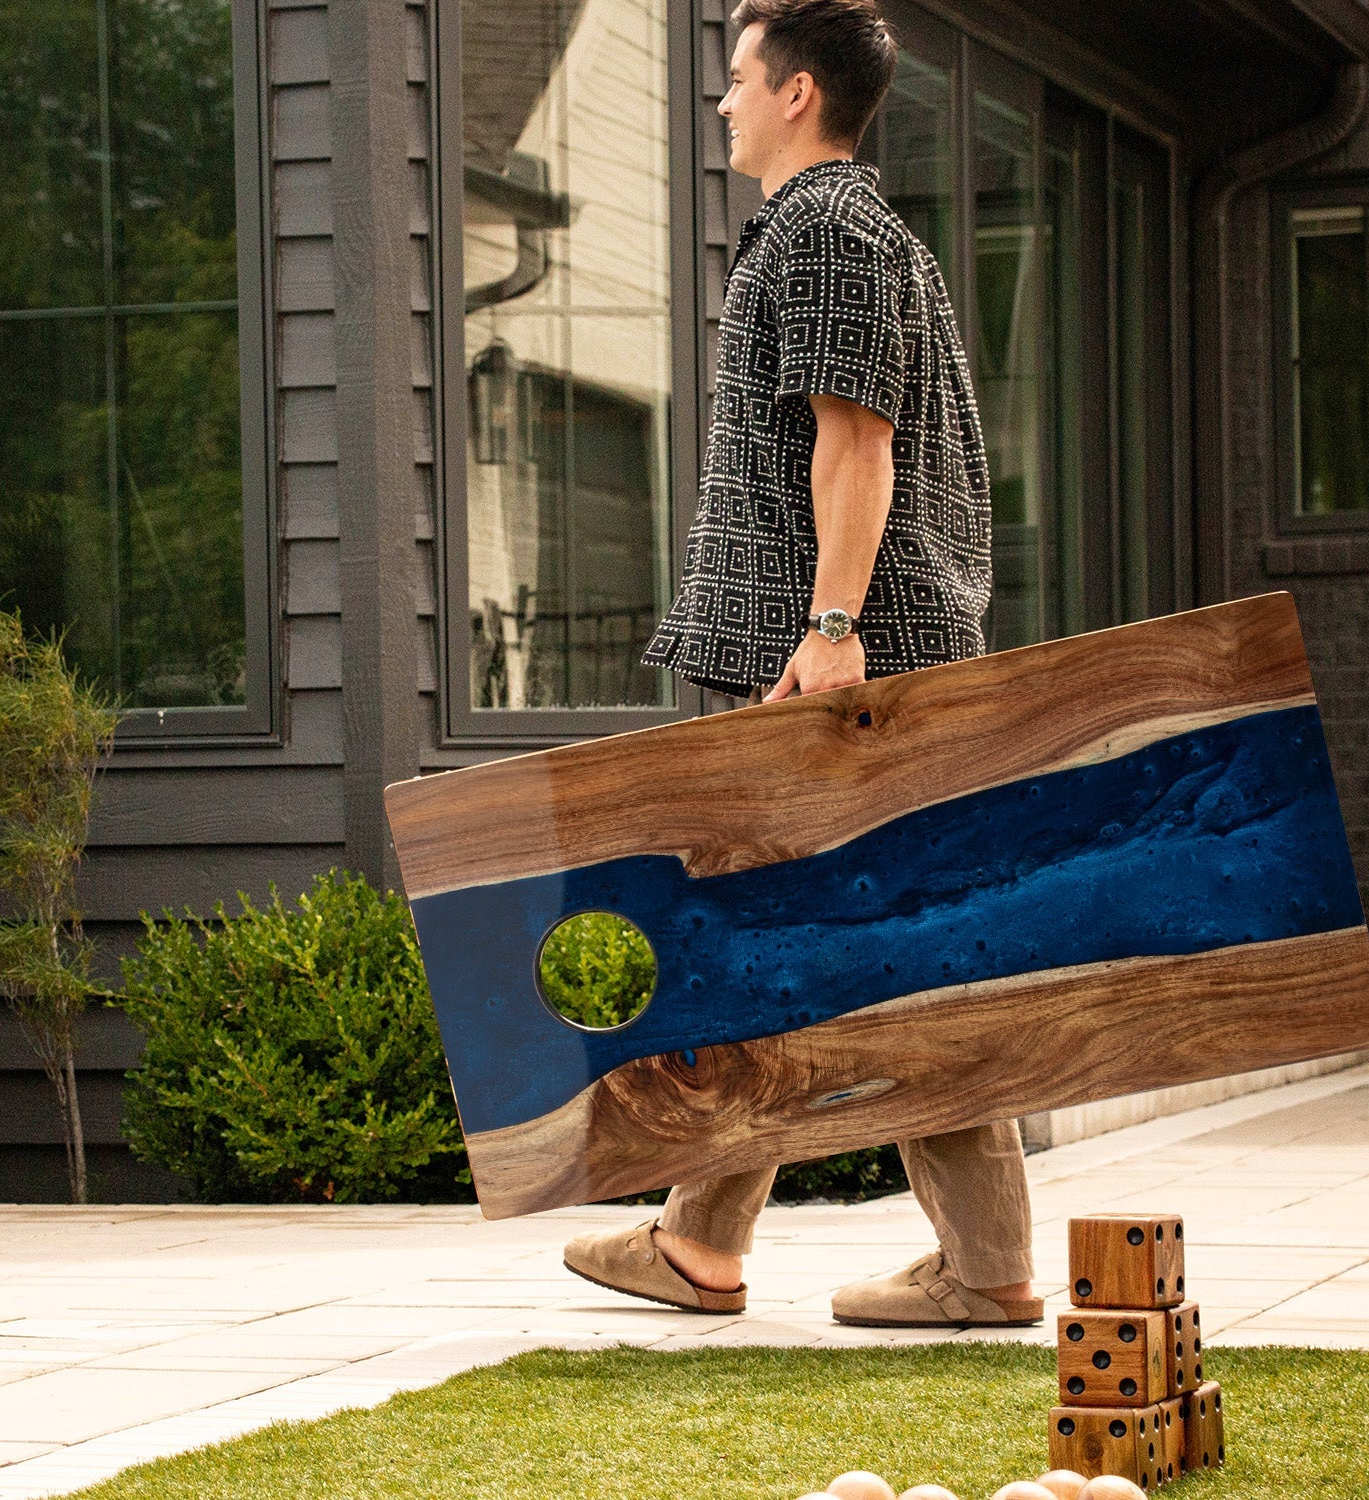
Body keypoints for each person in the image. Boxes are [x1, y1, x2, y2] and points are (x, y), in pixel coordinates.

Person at [562, 0, 1039, 1329]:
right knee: (788, 945)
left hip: (822, 664)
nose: (718, 102)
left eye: (733, 79)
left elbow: (857, 442)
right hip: (824, 652)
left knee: (868, 951)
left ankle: (978, 1264)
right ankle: (705, 1239)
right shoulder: (838, 235)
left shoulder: (829, 233)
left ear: (798, 93)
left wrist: (832, 634)